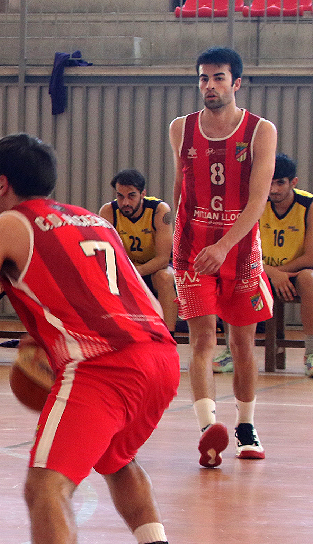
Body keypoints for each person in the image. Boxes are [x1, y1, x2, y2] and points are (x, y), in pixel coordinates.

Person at [0, 133, 188, 544]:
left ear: (0, 182)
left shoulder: (3, 227)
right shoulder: (94, 219)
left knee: (45, 486)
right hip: (161, 356)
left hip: (103, 364)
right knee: (116, 458)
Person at [170, 46, 277, 466]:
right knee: (201, 339)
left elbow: (257, 201)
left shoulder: (260, 130)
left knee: (242, 342)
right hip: (194, 245)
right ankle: (208, 430)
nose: (209, 85)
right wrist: (178, 232)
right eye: (203, 78)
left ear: (236, 83)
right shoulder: (181, 127)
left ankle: (246, 426)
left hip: (239, 244)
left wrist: (224, 245)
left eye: (218, 78)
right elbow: (182, 183)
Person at [98, 169, 178, 331]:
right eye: (120, 196)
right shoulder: (108, 212)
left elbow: (163, 259)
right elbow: (105, 254)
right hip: (127, 268)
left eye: (131, 196)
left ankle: (169, 335)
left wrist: (135, 272)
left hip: (154, 268)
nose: (125, 202)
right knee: (98, 278)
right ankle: (113, 333)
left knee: (164, 277)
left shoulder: (160, 210)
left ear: (143, 194)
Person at [258, 154, 313, 378]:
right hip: (261, 269)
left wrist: (280, 273)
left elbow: (310, 257)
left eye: (280, 182)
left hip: (297, 271)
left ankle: (311, 352)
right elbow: (243, 252)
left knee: (309, 278)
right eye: (269, 182)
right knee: (234, 274)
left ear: (294, 182)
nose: (273, 189)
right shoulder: (256, 202)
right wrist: (271, 273)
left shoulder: (308, 205)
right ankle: (231, 353)